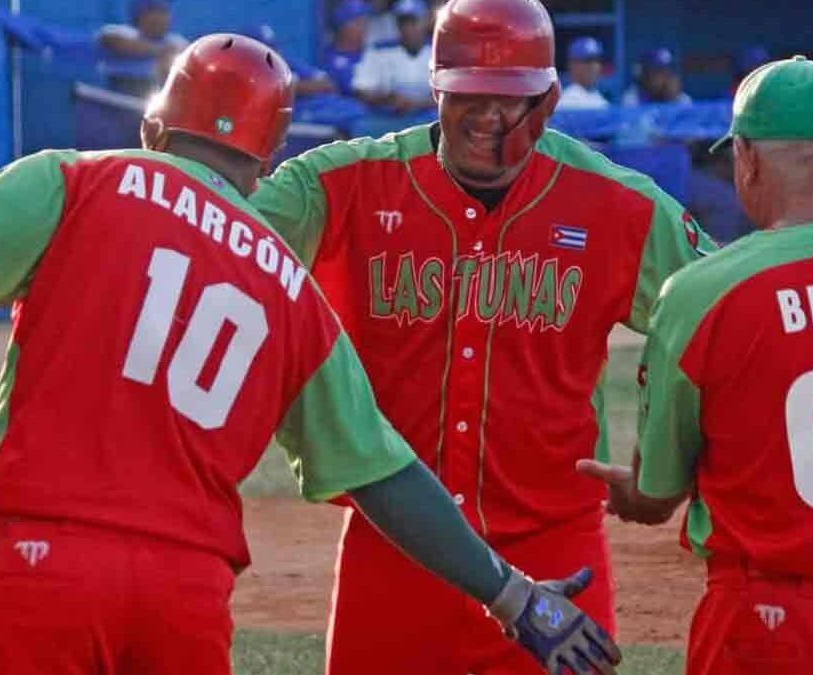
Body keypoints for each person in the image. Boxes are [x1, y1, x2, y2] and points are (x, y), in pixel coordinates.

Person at [0, 34, 620, 675]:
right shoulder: (292, 291)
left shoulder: (74, 180)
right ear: (266, 159)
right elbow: (388, 474)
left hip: (39, 559)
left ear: (153, 128)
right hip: (186, 594)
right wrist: (511, 593)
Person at [249, 1, 714, 673]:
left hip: (555, 544)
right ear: (434, 87)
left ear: (550, 99)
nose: (487, 119)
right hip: (395, 548)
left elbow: (728, 310)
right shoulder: (345, 183)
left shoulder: (617, 204)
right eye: (467, 96)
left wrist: (669, 455)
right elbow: (209, 231)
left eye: (511, 101)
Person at [580, 55, 813, 675]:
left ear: (745, 159)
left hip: (769, 624)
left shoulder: (700, 292)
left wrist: (628, 496)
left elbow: (658, 492)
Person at [351, 0, 435, 114]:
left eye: (413, 22)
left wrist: (417, 104)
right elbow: (361, 89)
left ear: (425, 21)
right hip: (389, 117)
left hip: (427, 116)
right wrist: (386, 98)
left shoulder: (439, 51)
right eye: (403, 23)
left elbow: (450, 96)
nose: (407, 28)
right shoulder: (379, 50)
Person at [96, 0, 187, 98]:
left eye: (162, 12)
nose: (158, 18)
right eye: (152, 11)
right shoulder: (119, 34)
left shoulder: (177, 43)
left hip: (156, 100)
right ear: (138, 16)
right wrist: (158, 50)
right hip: (118, 96)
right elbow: (109, 39)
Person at [324, 0, 371, 96]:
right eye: (358, 22)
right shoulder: (330, 59)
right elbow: (357, 90)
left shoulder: (372, 52)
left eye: (365, 22)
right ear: (343, 28)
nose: (364, 27)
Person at [621, 48, 692, 106]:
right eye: (659, 71)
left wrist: (672, 101)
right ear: (645, 75)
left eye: (668, 71)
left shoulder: (682, 99)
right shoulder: (633, 99)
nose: (665, 77)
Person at [558, 37, 610, 111]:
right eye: (588, 61)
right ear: (572, 65)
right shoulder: (566, 100)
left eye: (597, 61)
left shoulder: (599, 98)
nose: (594, 67)